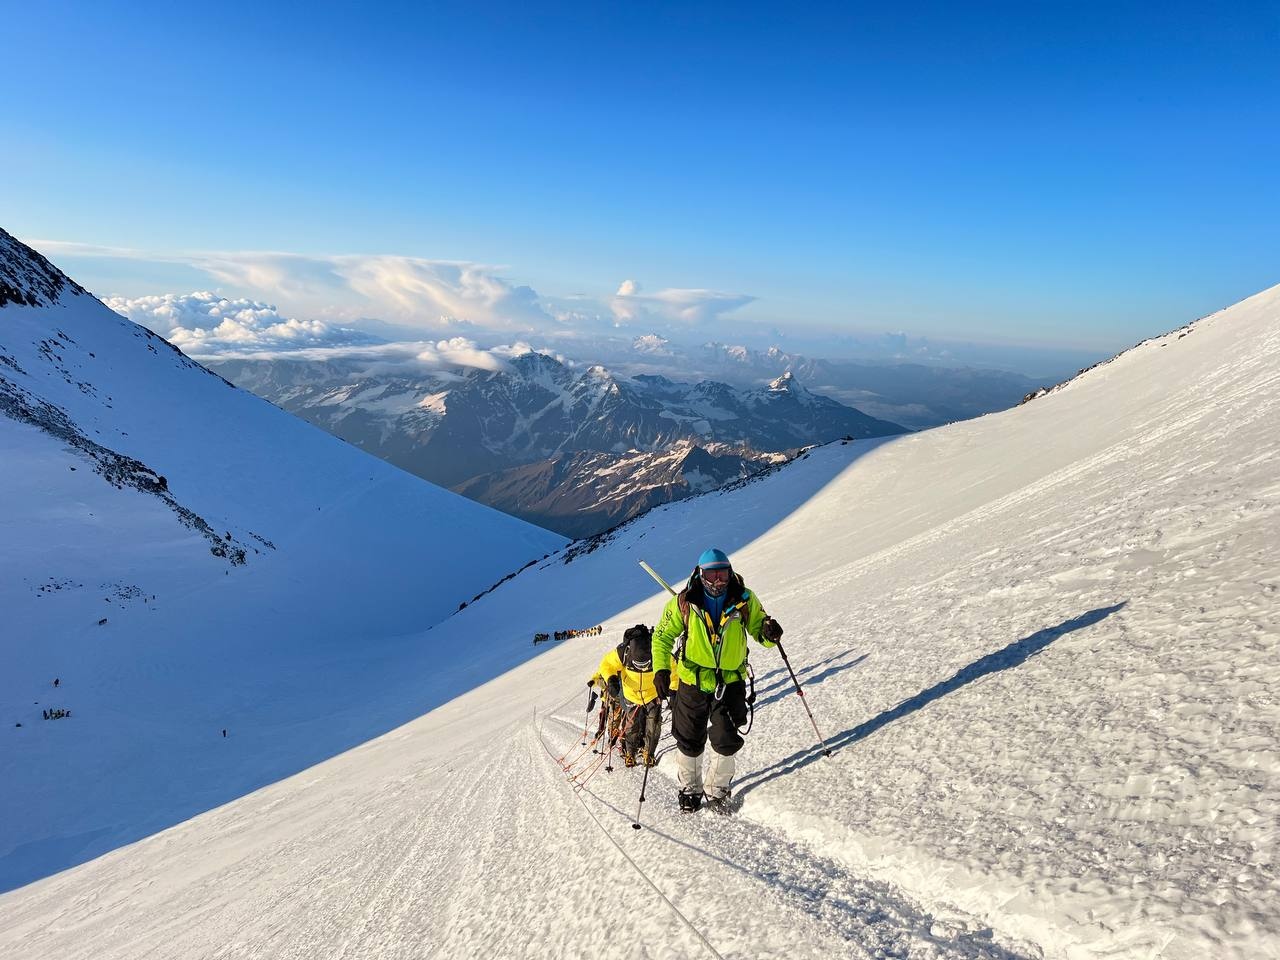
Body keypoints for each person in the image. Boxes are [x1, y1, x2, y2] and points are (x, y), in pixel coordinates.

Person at [652, 548, 783, 812]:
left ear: (730, 572)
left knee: (726, 738)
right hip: (692, 679)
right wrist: (661, 670)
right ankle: (690, 789)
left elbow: (759, 629)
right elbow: (662, 637)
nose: (717, 581)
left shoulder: (745, 599)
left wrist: (770, 633)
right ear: (700, 575)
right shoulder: (683, 602)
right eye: (711, 575)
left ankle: (717, 789)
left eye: (722, 574)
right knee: (689, 737)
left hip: (730, 681)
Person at [591, 625, 667, 766]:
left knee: (653, 726)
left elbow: (673, 669)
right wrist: (611, 679)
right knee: (632, 727)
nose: (642, 668)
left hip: (652, 694)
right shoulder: (623, 652)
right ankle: (630, 753)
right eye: (639, 665)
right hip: (631, 695)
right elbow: (606, 664)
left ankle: (648, 754)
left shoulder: (658, 651)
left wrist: (673, 691)